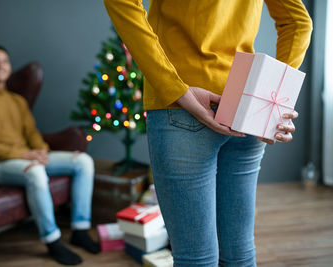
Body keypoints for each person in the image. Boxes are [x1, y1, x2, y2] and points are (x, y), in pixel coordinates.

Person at [103, 0, 312, 266]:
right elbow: (298, 22)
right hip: (246, 104)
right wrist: (271, 99)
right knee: (240, 256)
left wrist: (176, 89)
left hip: (181, 107)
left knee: (196, 260)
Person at [0, 46, 100, 266]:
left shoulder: (17, 101)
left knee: (83, 161)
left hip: (27, 157)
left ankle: (80, 229)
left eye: (5, 61)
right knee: (36, 173)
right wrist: (26, 155)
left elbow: (32, 133)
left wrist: (42, 152)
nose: (1, 66)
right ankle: (52, 239)